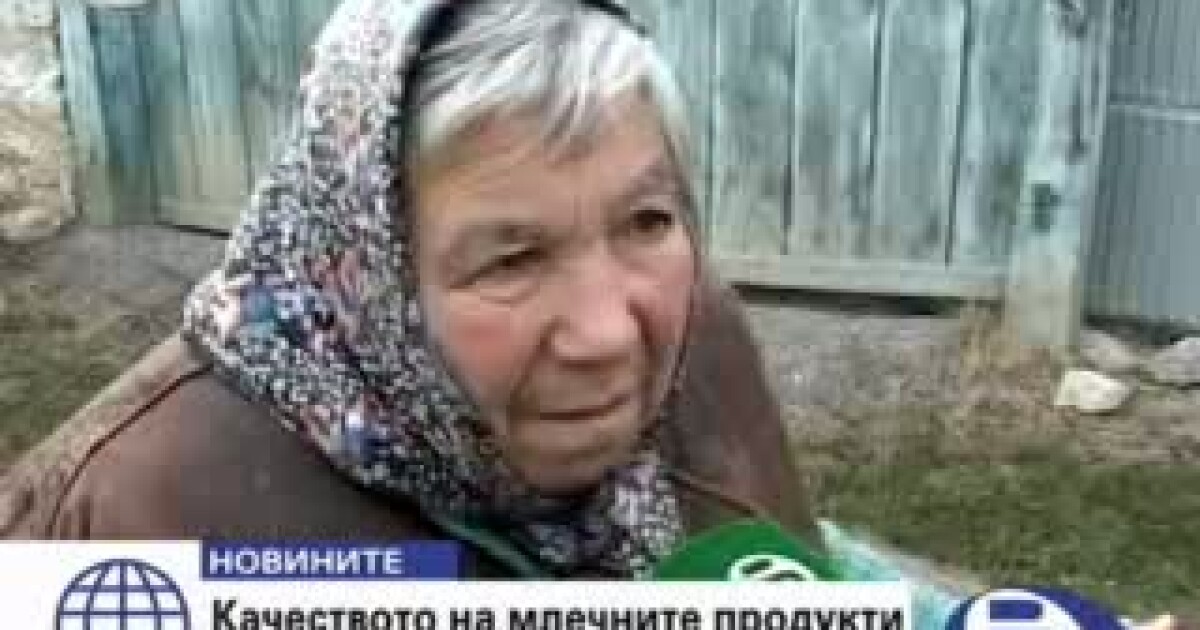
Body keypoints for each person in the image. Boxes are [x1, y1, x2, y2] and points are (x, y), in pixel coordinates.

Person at [0, 0, 814, 577]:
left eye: (646, 220)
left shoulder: (701, 337)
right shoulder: (133, 520)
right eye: (511, 261)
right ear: (368, 276)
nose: (609, 334)